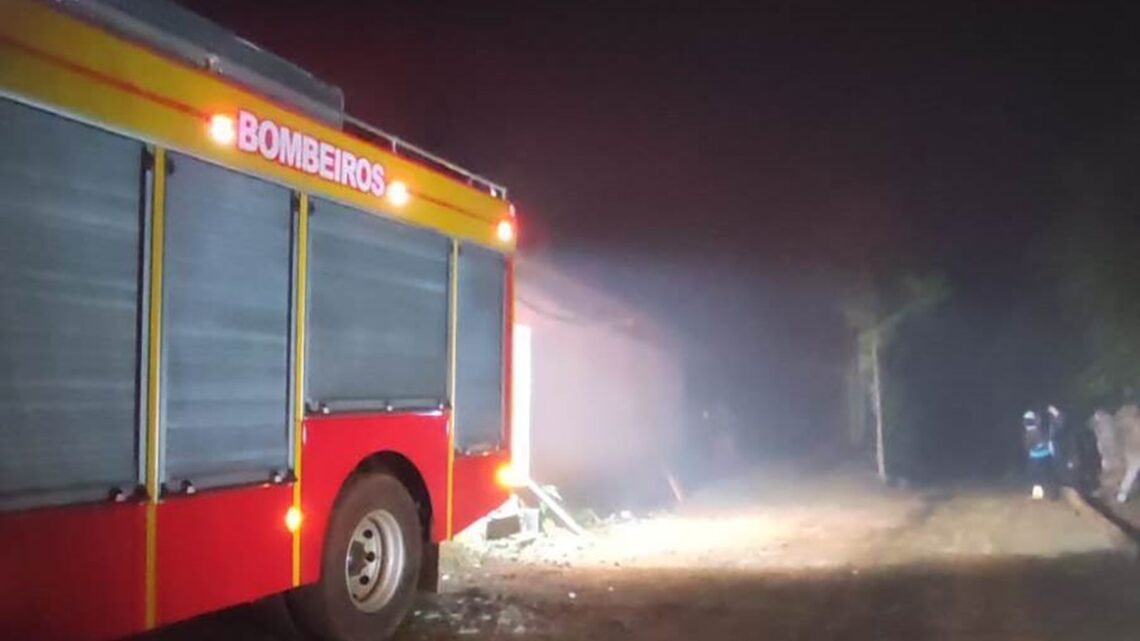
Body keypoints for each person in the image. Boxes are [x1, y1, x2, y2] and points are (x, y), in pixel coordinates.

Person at [1023, 410, 1055, 500]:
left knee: (1036, 475)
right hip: (1043, 455)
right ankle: (1045, 493)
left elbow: (1028, 446)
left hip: (1037, 456)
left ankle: (1045, 493)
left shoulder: (1032, 431)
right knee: (1043, 475)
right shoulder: (1037, 430)